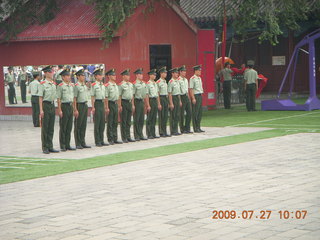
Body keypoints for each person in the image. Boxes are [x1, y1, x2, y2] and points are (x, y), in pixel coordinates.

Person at [39, 65, 59, 154]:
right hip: (45, 105)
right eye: (50, 72)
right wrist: (41, 110)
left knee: (51, 127)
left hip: (52, 105)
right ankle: (45, 147)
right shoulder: (42, 84)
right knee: (45, 127)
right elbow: (40, 97)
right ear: (46, 73)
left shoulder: (54, 84)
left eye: (52, 72)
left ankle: (50, 146)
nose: (52, 73)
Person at [57, 69, 76, 151]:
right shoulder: (60, 86)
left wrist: (75, 109)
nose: (69, 77)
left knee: (69, 126)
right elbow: (59, 99)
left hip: (70, 106)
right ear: (63, 77)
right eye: (67, 76)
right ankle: (63, 145)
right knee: (63, 127)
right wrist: (59, 110)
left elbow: (74, 98)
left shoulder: (72, 86)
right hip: (64, 106)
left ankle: (68, 144)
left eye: (69, 75)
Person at [73, 69, 91, 149]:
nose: (84, 77)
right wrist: (75, 109)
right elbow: (74, 98)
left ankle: (83, 142)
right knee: (78, 125)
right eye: (82, 75)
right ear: (78, 76)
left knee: (83, 125)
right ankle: (78, 142)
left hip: (85, 105)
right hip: (79, 105)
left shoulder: (84, 85)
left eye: (84, 75)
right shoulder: (76, 86)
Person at [91, 68, 108, 147]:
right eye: (100, 75)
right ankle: (97, 141)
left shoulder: (103, 85)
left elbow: (105, 97)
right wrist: (93, 107)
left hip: (102, 104)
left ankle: (102, 140)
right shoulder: (94, 85)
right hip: (97, 104)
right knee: (97, 123)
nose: (101, 77)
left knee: (102, 123)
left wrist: (106, 106)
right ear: (96, 76)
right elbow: (92, 97)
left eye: (102, 75)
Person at [105, 68, 122, 145]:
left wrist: (119, 105)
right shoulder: (107, 85)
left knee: (115, 122)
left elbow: (118, 96)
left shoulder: (116, 85)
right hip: (110, 103)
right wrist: (107, 107)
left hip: (115, 104)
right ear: (109, 76)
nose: (115, 76)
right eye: (113, 75)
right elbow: (106, 97)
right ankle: (110, 138)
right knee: (110, 122)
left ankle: (115, 138)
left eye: (115, 75)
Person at [118, 69, 135, 143]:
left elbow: (132, 96)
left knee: (128, 121)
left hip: (129, 102)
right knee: (124, 121)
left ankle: (128, 136)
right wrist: (120, 105)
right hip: (124, 103)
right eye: (127, 75)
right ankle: (124, 137)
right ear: (123, 76)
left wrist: (133, 104)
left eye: (129, 75)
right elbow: (119, 96)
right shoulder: (121, 85)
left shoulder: (131, 84)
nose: (128, 77)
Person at [133, 68, 149, 141]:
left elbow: (145, 95)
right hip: (137, 101)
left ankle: (141, 134)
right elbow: (133, 95)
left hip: (142, 101)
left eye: (142, 74)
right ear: (137, 75)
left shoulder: (144, 83)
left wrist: (147, 104)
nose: (141, 75)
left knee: (142, 119)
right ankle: (136, 135)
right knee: (137, 118)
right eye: (140, 74)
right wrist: (133, 105)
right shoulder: (134, 84)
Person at [146, 69, 161, 139]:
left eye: (155, 75)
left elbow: (157, 94)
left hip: (155, 100)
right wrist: (148, 105)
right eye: (153, 74)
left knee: (154, 118)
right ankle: (149, 133)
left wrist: (159, 104)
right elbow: (147, 95)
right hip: (151, 100)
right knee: (150, 118)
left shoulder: (155, 83)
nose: (155, 76)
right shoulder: (148, 84)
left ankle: (153, 132)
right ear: (150, 75)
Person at [189, 65, 205, 133]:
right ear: (195, 71)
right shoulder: (192, 78)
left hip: (199, 95)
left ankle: (198, 126)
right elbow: (191, 89)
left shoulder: (199, 78)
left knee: (199, 112)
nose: (200, 71)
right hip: (195, 96)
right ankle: (195, 128)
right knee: (195, 112)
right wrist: (193, 98)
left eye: (200, 70)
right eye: (199, 70)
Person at [178, 65, 192, 134]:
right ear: (180, 72)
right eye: (183, 71)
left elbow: (187, 89)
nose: (184, 73)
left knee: (189, 112)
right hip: (181, 96)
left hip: (186, 96)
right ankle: (182, 128)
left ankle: (187, 127)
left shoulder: (186, 80)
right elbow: (178, 91)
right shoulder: (178, 80)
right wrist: (180, 100)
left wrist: (189, 97)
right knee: (181, 113)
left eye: (185, 71)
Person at [168, 67, 182, 136]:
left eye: (177, 73)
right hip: (173, 98)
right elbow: (170, 93)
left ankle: (176, 129)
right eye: (176, 73)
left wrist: (179, 101)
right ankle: (172, 130)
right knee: (173, 115)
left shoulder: (178, 81)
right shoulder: (171, 82)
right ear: (172, 73)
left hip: (177, 98)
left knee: (177, 115)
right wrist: (171, 103)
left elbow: (178, 92)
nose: (177, 74)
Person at [156, 66, 170, 137]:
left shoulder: (165, 82)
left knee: (165, 116)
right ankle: (161, 131)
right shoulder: (158, 82)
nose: (165, 74)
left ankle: (164, 130)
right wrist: (159, 103)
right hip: (161, 98)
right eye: (164, 73)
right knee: (161, 116)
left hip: (165, 98)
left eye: (166, 73)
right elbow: (157, 93)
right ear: (161, 73)